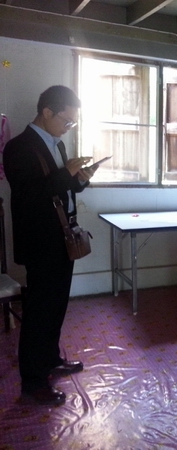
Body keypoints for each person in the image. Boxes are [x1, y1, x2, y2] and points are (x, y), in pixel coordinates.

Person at [3, 85, 97, 405]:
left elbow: (61, 189)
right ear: (46, 112)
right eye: (66, 121)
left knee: (56, 305)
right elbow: (29, 196)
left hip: (63, 237)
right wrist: (66, 172)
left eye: (72, 122)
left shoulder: (57, 144)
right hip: (40, 242)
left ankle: (51, 359)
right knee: (38, 312)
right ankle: (33, 380)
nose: (69, 127)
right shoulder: (18, 147)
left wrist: (80, 178)